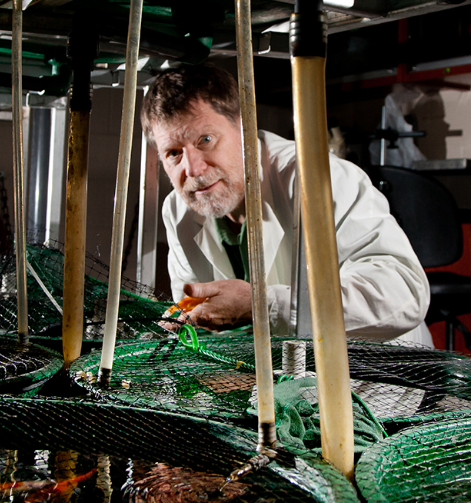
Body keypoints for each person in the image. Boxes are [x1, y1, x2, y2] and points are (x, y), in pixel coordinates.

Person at [141, 64, 432, 347]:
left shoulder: (318, 178)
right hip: (281, 370)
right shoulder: (178, 211)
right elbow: (198, 321)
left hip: (382, 367)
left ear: (243, 127)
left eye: (205, 140)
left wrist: (262, 307)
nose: (193, 169)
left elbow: (404, 293)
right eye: (173, 153)